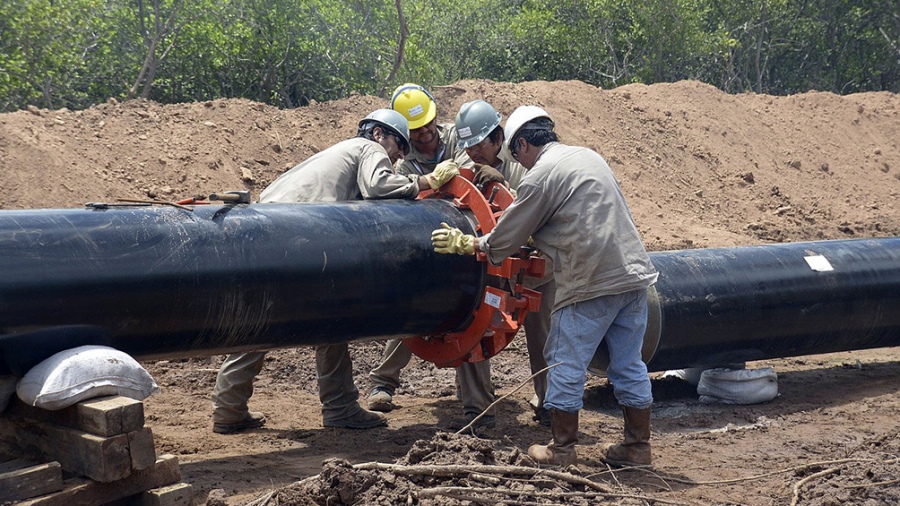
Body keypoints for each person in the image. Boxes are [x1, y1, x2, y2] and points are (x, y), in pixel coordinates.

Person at [430, 106, 659, 468]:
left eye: (514, 152)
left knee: (564, 363)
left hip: (590, 280)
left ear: (521, 143)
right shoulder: (588, 156)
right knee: (629, 364)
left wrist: (470, 244)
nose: (514, 158)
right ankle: (637, 446)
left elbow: (505, 240)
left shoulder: (540, 176)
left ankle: (562, 449)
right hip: (633, 276)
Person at [210, 109, 460, 434]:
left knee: (266, 319)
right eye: (397, 149)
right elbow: (378, 186)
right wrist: (424, 181)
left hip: (265, 228)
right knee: (333, 318)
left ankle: (228, 409)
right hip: (300, 233)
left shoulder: (335, 156)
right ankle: (340, 407)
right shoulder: (367, 148)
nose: (397, 159)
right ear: (379, 135)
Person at [366, 84, 494, 432]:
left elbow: (475, 170)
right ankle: (382, 384)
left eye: (429, 124)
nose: (426, 134)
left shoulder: (455, 137)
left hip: (466, 236)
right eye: (417, 130)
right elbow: (394, 191)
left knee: (471, 313)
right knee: (416, 311)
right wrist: (424, 182)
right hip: (423, 239)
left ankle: (477, 404)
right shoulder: (402, 158)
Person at [453, 99, 555, 426]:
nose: (473, 152)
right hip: (487, 266)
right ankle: (478, 411)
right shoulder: (462, 167)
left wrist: (503, 184)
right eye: (467, 146)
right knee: (469, 329)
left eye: (479, 144)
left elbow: (537, 214)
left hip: (533, 267)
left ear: (498, 138)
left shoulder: (525, 162)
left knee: (546, 339)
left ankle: (552, 404)